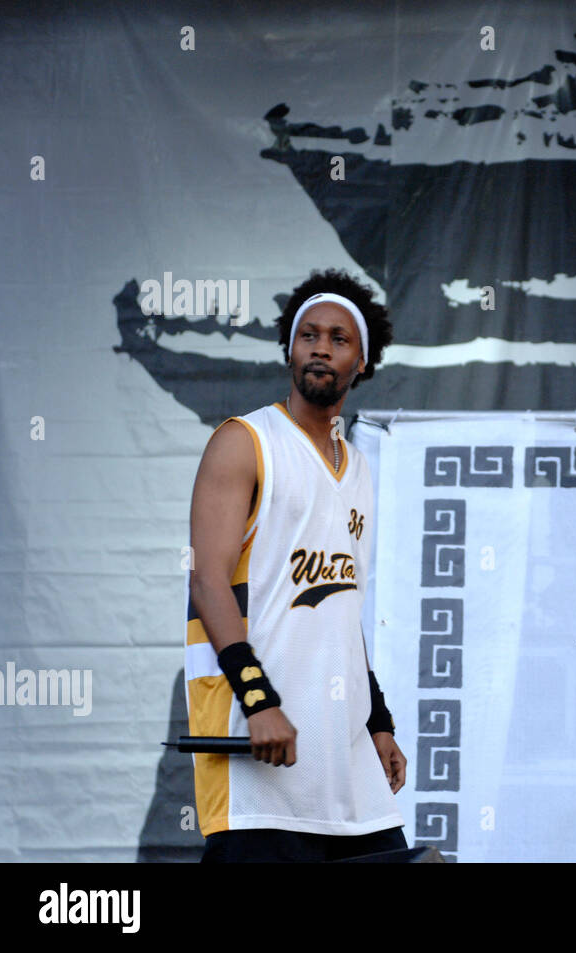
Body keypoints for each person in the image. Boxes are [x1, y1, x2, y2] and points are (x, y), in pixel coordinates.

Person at [185, 269, 407, 862]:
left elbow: (341, 607)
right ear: (290, 348)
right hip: (260, 741)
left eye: (339, 338)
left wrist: (378, 720)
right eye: (308, 335)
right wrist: (258, 699)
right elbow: (208, 582)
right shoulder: (244, 442)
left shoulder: (358, 467)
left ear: (362, 361)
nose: (321, 348)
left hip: (344, 754)